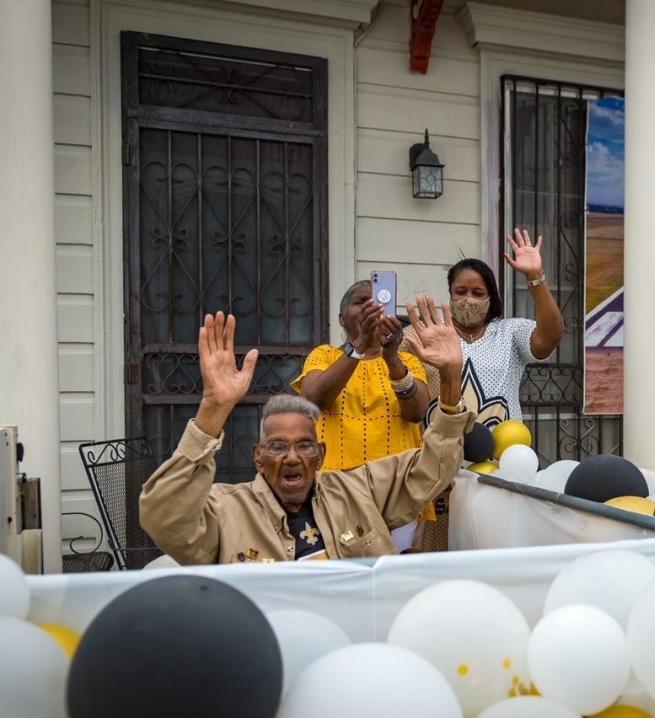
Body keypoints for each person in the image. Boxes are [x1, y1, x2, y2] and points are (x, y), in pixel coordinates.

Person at [139, 299, 470, 564]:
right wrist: (212, 409)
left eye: (304, 446)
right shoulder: (228, 510)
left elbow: (433, 468)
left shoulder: (357, 491)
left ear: (320, 454)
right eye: (278, 446)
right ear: (257, 456)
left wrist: (452, 379)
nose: (293, 457)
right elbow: (164, 518)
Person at [402, 228, 565, 427]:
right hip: (440, 450)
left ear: (491, 297)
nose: (468, 300)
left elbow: (551, 337)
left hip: (502, 453)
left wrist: (535, 276)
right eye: (460, 292)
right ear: (450, 294)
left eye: (478, 293)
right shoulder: (429, 335)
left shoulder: (510, 332)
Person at [291, 280, 429, 471]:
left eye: (378, 302)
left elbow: (416, 413)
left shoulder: (406, 362)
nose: (370, 308)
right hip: (335, 486)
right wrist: (360, 343)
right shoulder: (324, 355)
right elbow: (315, 399)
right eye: (362, 301)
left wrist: (391, 358)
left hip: (396, 487)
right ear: (342, 318)